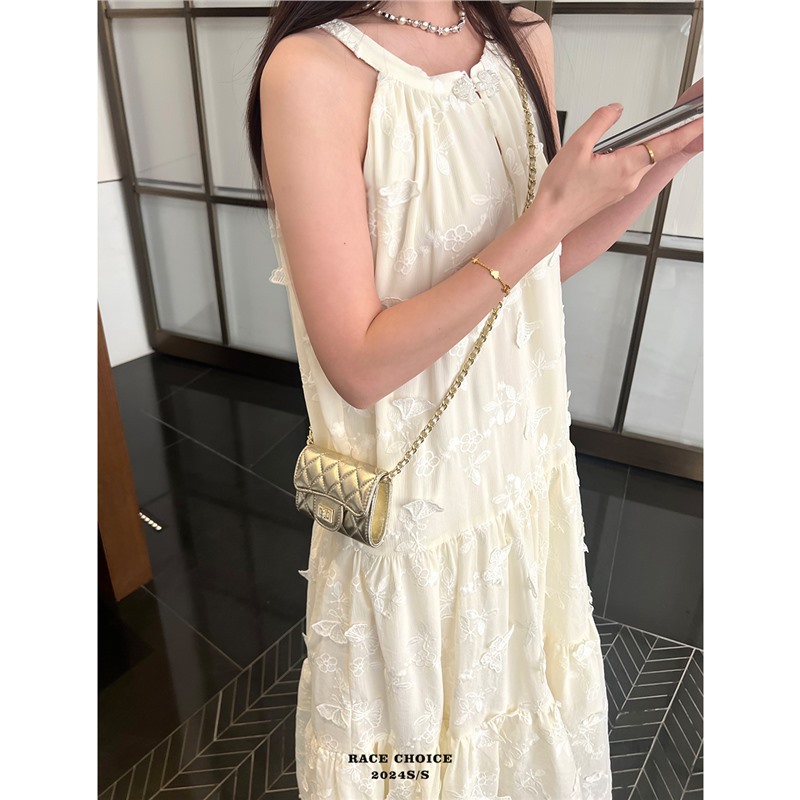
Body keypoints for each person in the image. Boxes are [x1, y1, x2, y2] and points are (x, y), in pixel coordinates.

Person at [246, 2, 703, 798]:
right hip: (415, 506)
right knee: (416, 749)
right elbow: (357, 363)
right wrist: (551, 212)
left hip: (519, 465)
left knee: (516, 722)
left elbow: (539, 268)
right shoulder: (313, 69)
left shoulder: (521, 36)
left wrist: (669, 153)